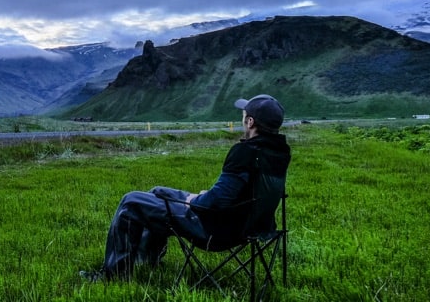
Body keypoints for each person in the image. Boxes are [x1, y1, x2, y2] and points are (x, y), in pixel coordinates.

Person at [82, 94, 292, 282]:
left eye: (244, 115)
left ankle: (113, 276)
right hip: (252, 226)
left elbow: (216, 202)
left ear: (250, 122)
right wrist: (205, 197)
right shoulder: (279, 153)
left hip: (216, 230)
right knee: (157, 192)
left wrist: (195, 200)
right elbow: (238, 193)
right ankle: (146, 260)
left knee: (131, 201)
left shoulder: (245, 152)